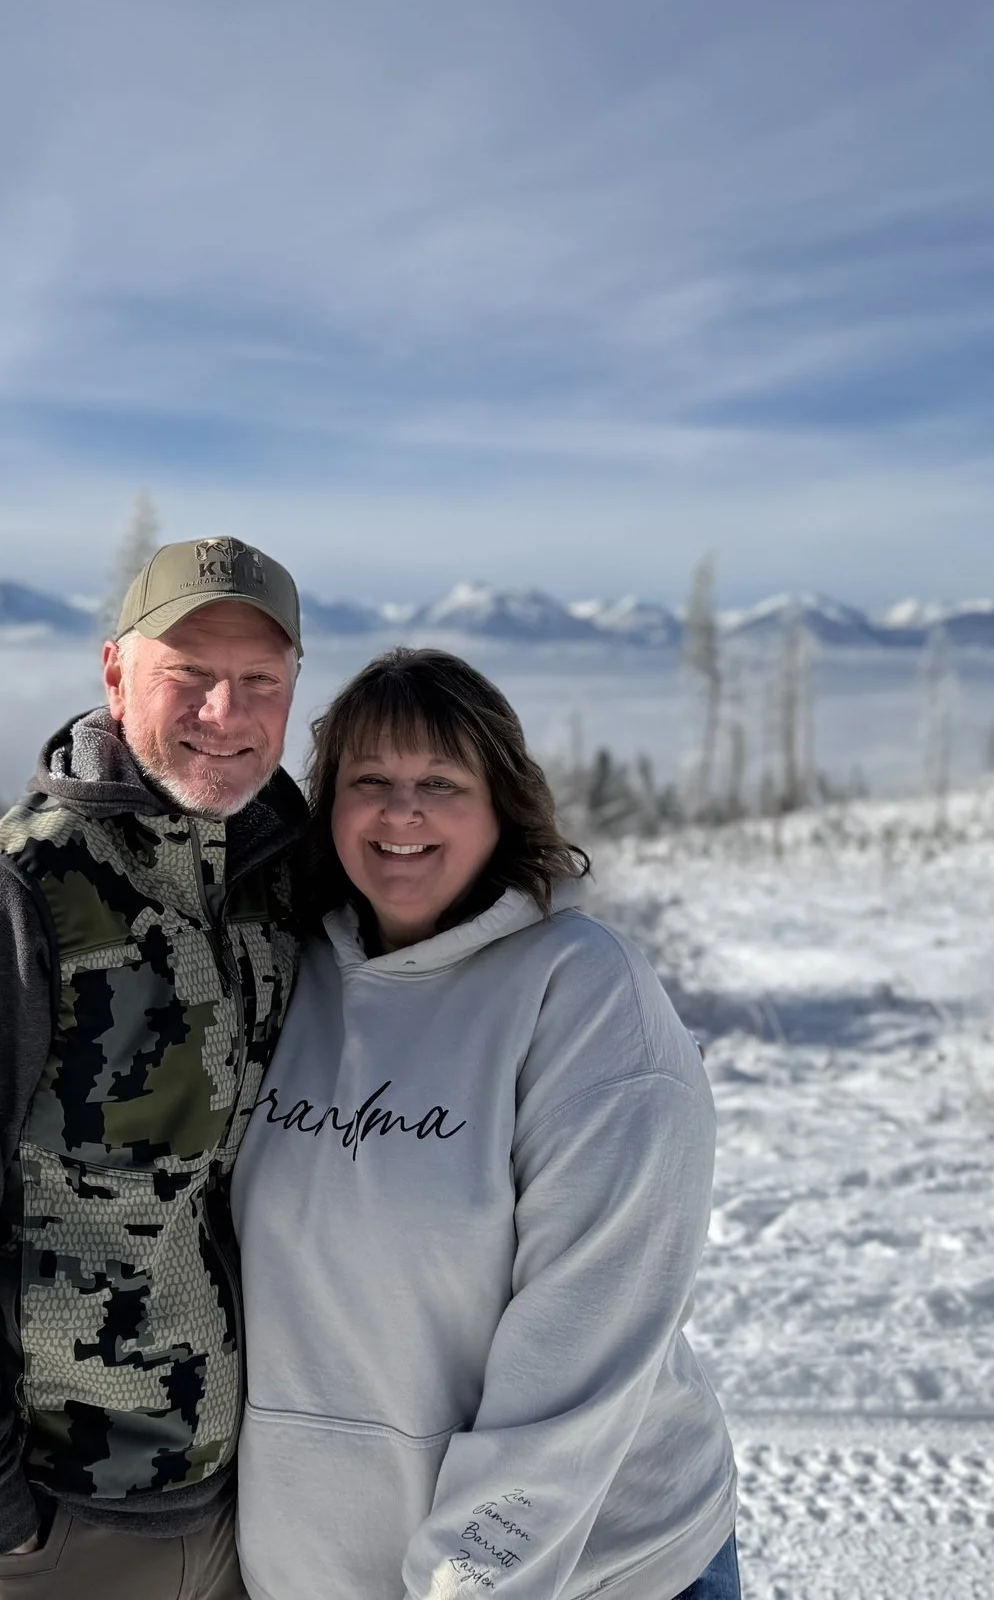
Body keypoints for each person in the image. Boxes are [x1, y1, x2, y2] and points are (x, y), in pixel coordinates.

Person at [0, 536, 308, 1600]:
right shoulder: (5, 908)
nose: (226, 715)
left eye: (259, 683)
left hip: (243, 1511)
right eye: (188, 677)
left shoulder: (274, 879)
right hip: (57, 1531)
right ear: (113, 673)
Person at [232, 647, 740, 1600]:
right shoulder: (284, 978)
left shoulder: (584, 996)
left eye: (441, 783)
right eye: (369, 780)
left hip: (589, 1572)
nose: (402, 812)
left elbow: (583, 1338)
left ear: (503, 803)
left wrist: (470, 1580)